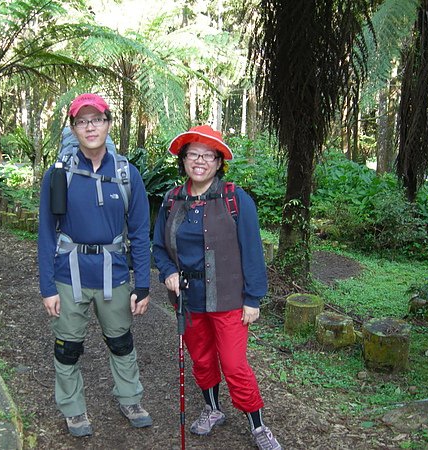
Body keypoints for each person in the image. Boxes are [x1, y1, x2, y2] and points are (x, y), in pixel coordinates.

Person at [152, 125, 282, 450]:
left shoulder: (236, 200)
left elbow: (253, 252)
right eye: (193, 154)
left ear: (218, 162)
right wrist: (167, 272)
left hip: (229, 299)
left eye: (208, 155)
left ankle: (258, 426)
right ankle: (213, 409)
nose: (200, 161)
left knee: (235, 365)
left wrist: (253, 299)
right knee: (203, 360)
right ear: (183, 160)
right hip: (188, 299)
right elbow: (158, 247)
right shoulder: (172, 200)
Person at [38, 93, 152, 437]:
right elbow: (45, 233)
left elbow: (140, 231)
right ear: (73, 128)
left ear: (108, 124)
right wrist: (46, 288)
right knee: (68, 347)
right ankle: (73, 410)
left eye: (97, 119)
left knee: (121, 340)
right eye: (82, 121)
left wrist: (142, 284)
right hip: (68, 275)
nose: (90, 127)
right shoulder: (57, 175)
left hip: (113, 274)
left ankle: (130, 398)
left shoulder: (126, 173)